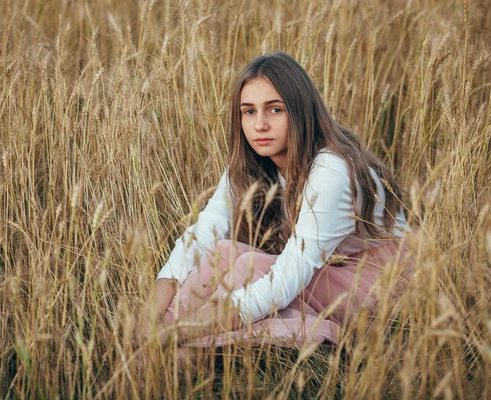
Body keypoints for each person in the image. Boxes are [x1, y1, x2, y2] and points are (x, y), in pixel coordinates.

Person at [138, 51, 414, 349]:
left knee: (252, 268)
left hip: (381, 283)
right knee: (223, 252)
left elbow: (286, 280)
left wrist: (183, 330)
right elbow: (204, 234)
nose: (259, 125)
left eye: (274, 110)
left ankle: (180, 350)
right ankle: (155, 348)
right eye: (249, 111)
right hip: (327, 273)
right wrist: (150, 314)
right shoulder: (249, 164)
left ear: (299, 110)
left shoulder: (332, 170)